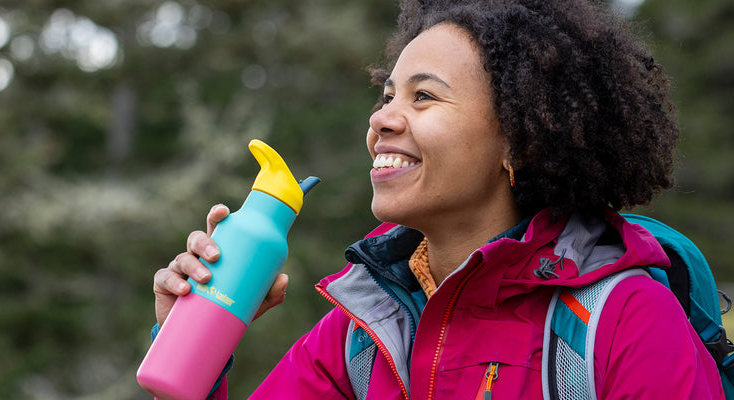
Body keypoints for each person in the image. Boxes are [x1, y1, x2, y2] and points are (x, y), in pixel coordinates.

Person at [152, 0, 726, 398]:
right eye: (385, 95)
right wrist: (198, 343)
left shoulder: (622, 319)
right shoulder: (363, 331)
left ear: (519, 140)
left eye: (423, 96)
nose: (382, 118)